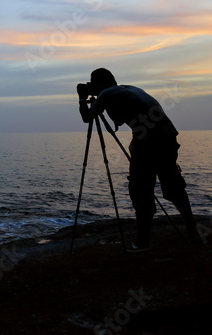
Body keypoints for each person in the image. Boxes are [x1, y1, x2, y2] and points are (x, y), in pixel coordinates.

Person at [77, 68, 200, 250]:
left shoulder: (106, 94)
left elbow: (87, 118)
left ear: (99, 84)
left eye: (93, 84)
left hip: (147, 142)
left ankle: (143, 242)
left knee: (140, 190)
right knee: (173, 187)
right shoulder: (131, 88)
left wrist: (81, 98)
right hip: (168, 138)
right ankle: (194, 233)